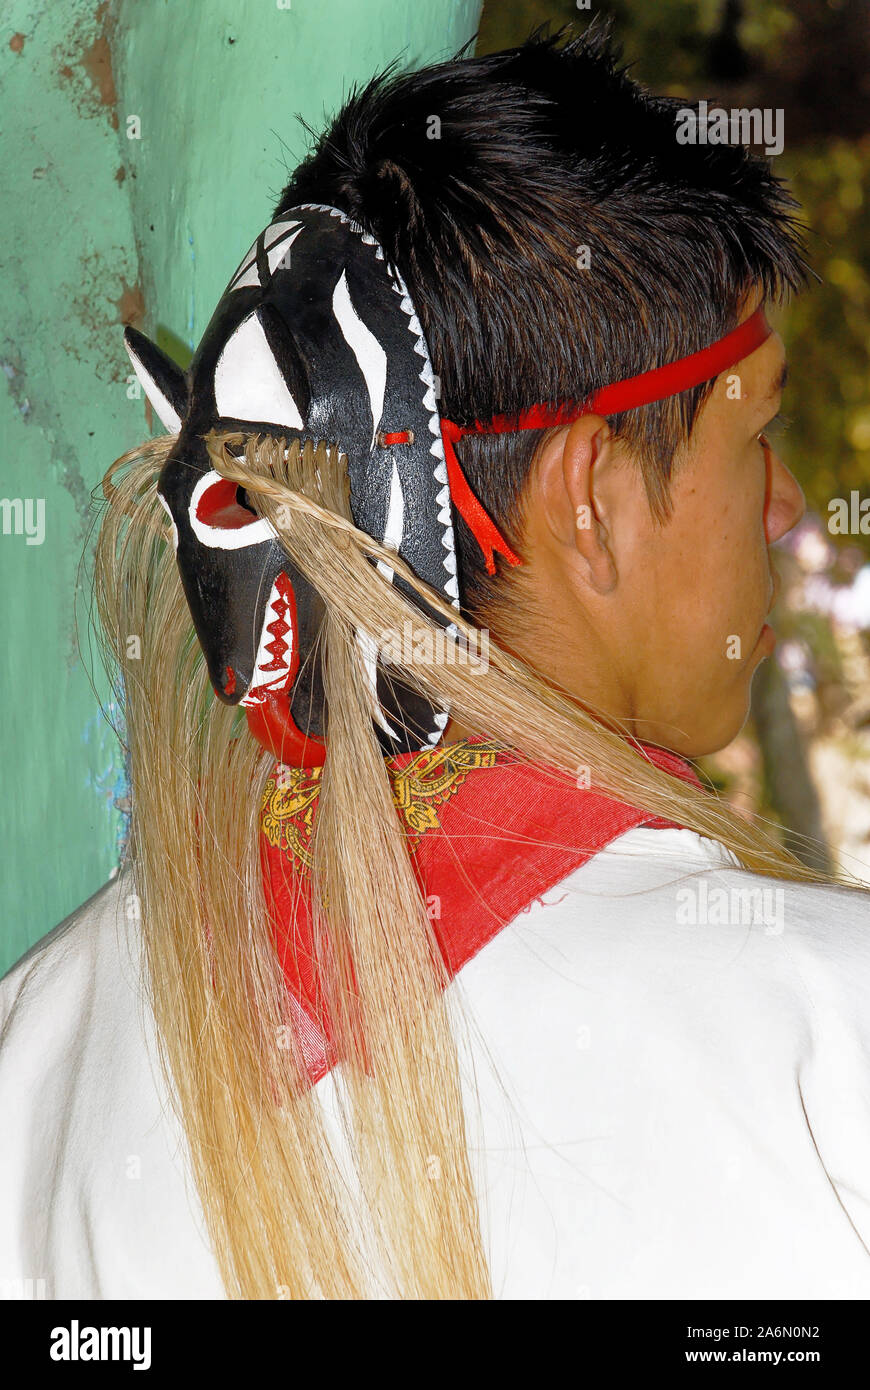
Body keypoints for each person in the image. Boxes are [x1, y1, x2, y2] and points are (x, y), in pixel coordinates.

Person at [2, 26, 870, 1302]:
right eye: (761, 435)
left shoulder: (39, 1050)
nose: (789, 505)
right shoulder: (823, 1038)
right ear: (592, 500)